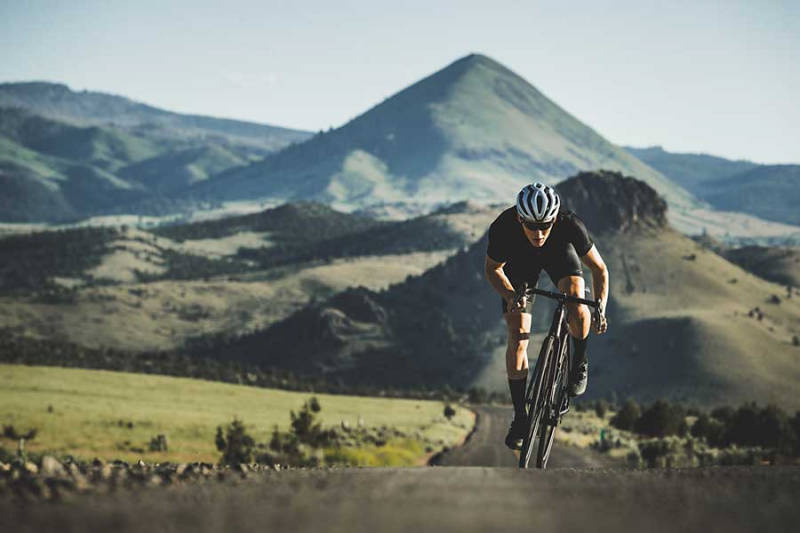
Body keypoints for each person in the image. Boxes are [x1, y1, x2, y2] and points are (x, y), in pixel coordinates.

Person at [484, 182, 609, 450]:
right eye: (531, 225)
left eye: (545, 225)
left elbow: (599, 270)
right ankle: (520, 418)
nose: (539, 233)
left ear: (555, 219)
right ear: (520, 218)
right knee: (517, 336)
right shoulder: (503, 226)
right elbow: (493, 269)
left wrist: (601, 306)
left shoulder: (569, 225)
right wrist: (509, 295)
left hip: (559, 256)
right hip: (520, 266)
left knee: (578, 301)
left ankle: (579, 363)